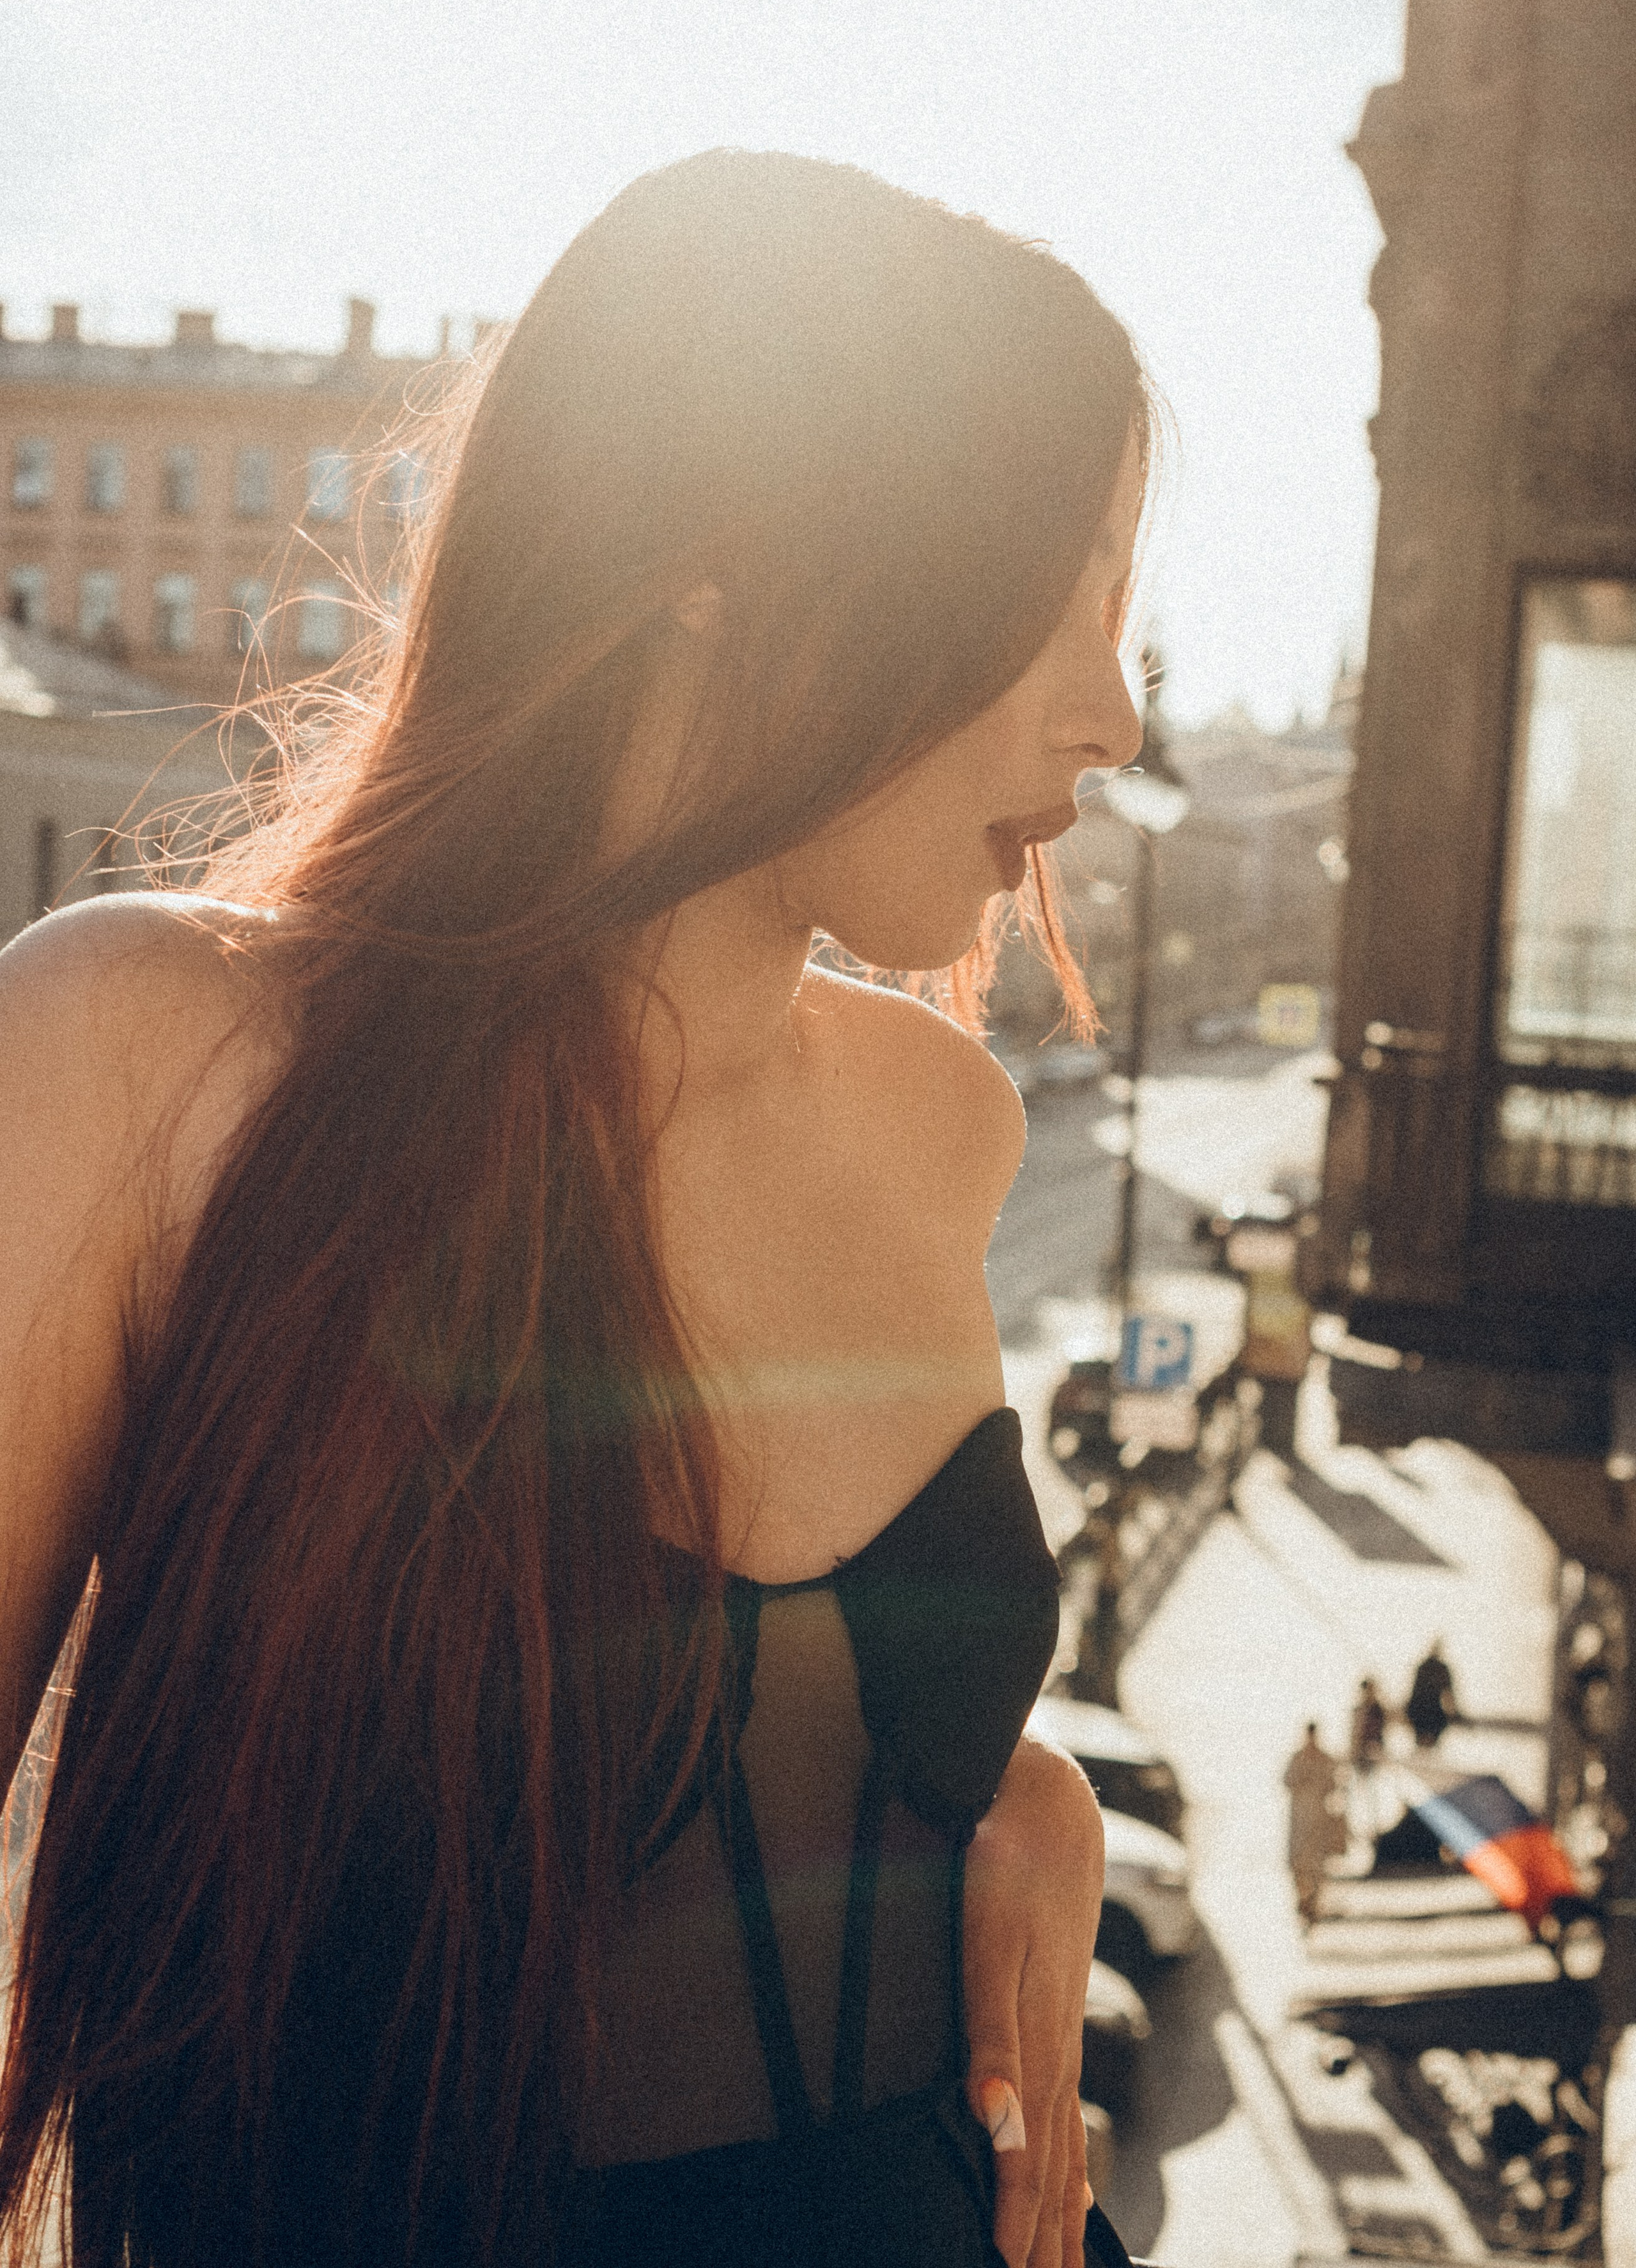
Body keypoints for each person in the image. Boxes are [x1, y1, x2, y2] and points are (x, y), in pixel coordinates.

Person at [0, 153, 1159, 2267]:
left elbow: (784, 1718)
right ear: (733, 550)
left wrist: (1016, 1788)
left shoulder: (941, 1118)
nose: (1118, 709)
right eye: (1059, 588)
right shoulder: (148, 1051)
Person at [1283, 1723, 1345, 1926]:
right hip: (1299, 1822)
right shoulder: (1297, 1758)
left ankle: (1314, 1904)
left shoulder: (1326, 1759)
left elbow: (1335, 1786)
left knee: (1317, 1866)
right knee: (1298, 1865)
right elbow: (1286, 1782)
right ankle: (1303, 1901)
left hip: (1318, 1822)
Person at [1406, 1640, 1457, 1749]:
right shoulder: (1433, 1668)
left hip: (1427, 1711)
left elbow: (1449, 1693)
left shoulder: (1431, 1668)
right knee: (1426, 1744)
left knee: (1425, 1745)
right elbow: (1449, 1694)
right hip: (1426, 1711)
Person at [1350, 1676, 1387, 1772]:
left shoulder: (1378, 1710)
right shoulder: (1359, 1710)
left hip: (1375, 1753)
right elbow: (1355, 1732)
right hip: (1360, 1753)